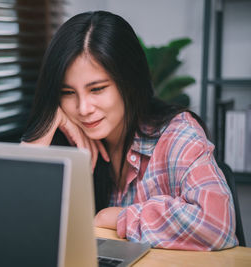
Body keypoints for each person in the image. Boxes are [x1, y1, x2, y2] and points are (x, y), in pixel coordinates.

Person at [21, 11, 237, 250]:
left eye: (97, 89)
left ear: (129, 82)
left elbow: (216, 225)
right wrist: (40, 134)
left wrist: (117, 217)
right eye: (68, 92)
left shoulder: (176, 135)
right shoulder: (64, 139)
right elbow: (14, 228)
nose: (83, 109)